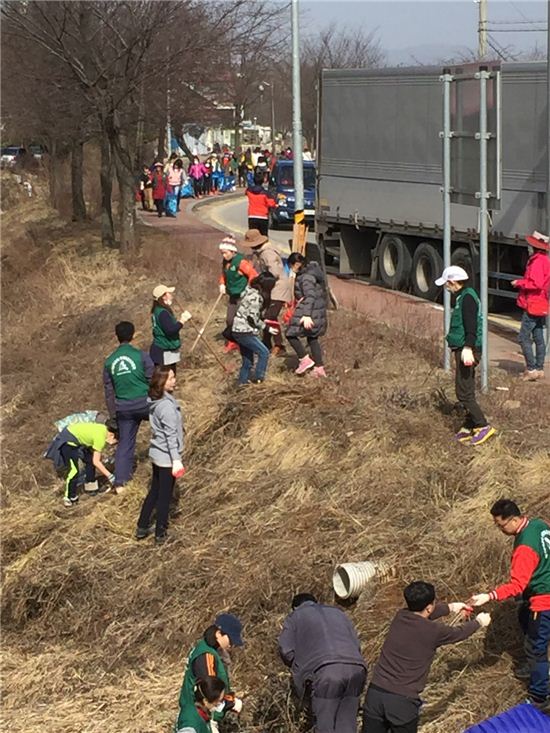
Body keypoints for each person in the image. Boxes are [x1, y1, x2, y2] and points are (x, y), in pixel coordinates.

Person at [362, 581, 490, 733]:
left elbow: (421, 614)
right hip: (402, 703)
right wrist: (479, 622)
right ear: (429, 607)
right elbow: (458, 633)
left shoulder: (400, 616)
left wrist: (451, 607)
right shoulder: (434, 631)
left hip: (375, 694)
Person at [470, 499, 550, 710]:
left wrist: (490, 596)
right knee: (523, 615)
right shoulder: (538, 525)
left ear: (514, 520)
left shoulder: (524, 547)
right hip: (540, 588)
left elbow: (517, 585)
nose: (500, 529)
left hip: (543, 600)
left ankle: (540, 696)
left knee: (536, 648)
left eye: (501, 525)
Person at [278, 593, 367, 733]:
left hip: (326, 673)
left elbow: (286, 650)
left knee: (325, 725)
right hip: (356, 668)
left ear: (295, 607)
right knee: (347, 725)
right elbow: (356, 644)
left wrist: (301, 669)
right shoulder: (339, 613)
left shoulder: (295, 616)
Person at [434, 265, 495, 446]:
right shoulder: (464, 296)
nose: (446, 287)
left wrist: (468, 347)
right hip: (463, 348)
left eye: (446, 284)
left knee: (463, 392)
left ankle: (483, 426)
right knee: (465, 387)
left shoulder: (467, 299)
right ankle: (469, 425)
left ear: (453, 282)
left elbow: (471, 324)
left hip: (466, 350)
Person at [103, 321, 154, 492]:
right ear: (133, 335)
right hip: (145, 403)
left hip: (123, 407)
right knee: (163, 428)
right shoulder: (141, 355)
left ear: (116, 336)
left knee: (125, 444)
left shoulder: (109, 362)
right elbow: (152, 379)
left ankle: (120, 483)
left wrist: (113, 414)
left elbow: (109, 392)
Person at [135, 366, 184, 544]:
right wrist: (176, 460)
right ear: (161, 383)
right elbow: (171, 437)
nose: (174, 380)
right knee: (164, 496)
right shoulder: (167, 408)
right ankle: (160, 533)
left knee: (154, 491)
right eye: (170, 378)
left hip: (157, 452)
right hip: (167, 457)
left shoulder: (156, 401)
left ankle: (142, 526)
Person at [177, 614, 244, 730]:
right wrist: (230, 704)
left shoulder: (207, 648)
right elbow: (210, 690)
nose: (232, 645)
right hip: (200, 718)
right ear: (219, 634)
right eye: (231, 639)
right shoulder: (206, 656)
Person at [246, 228, 292, 356]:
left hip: (278, 289)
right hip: (272, 289)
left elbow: (274, 273)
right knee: (266, 316)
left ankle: (278, 346)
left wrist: (261, 280)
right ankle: (267, 344)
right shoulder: (263, 252)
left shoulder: (268, 253)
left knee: (269, 317)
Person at [511, 230, 550, 381]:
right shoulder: (545, 260)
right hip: (541, 303)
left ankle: (531, 368)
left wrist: (519, 283)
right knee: (538, 336)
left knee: (523, 337)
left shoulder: (537, 262)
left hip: (533, 303)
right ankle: (539, 368)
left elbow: (536, 283)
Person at [58, 419, 119, 507]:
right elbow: (96, 462)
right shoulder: (100, 438)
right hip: (67, 441)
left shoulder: (104, 430)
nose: (113, 444)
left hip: (79, 441)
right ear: (112, 435)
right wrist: (111, 476)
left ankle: (91, 488)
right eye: (115, 442)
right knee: (74, 471)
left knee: (89, 460)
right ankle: (69, 497)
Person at [286, 252, 328, 377]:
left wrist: (306, 315)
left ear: (297, 264)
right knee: (312, 337)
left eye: (291, 266)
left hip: (310, 311)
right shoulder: (312, 272)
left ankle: (304, 359)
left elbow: (310, 296)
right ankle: (319, 368)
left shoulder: (306, 277)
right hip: (317, 311)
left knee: (290, 333)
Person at [232, 272, 275, 386]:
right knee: (264, 352)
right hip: (245, 332)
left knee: (248, 360)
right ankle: (258, 380)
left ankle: (242, 383)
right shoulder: (255, 298)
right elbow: (253, 319)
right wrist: (267, 328)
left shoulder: (249, 291)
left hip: (237, 329)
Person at [218, 236, 258, 353]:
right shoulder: (226, 262)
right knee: (230, 320)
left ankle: (247, 343)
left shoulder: (242, 263)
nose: (223, 256)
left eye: (225, 253)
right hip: (232, 295)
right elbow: (224, 274)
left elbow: (253, 275)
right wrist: (222, 284)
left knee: (242, 320)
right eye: (222, 253)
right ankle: (232, 342)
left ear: (232, 251)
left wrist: (249, 288)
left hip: (242, 296)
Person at [150, 284, 191, 369]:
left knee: (168, 376)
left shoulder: (157, 310)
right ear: (164, 296)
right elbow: (170, 330)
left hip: (164, 348)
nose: (171, 296)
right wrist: (182, 321)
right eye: (169, 293)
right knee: (166, 377)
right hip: (164, 349)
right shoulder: (163, 313)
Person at [245, 171, 276, 235]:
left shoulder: (249, 191)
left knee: (252, 236)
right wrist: (275, 205)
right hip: (263, 217)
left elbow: (246, 192)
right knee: (263, 236)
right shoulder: (266, 193)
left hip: (252, 216)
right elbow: (271, 204)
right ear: (262, 181)